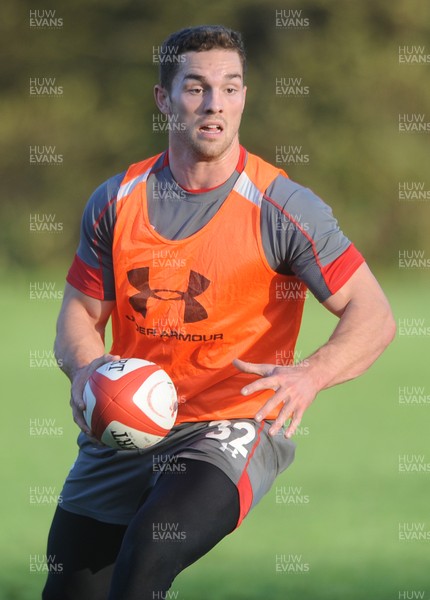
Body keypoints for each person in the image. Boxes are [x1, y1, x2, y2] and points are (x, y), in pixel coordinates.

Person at [42, 24, 395, 600]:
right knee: (70, 589)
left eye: (231, 88)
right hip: (128, 422)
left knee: (151, 549)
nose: (215, 105)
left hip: (231, 423)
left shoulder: (282, 206)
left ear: (245, 97)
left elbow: (374, 314)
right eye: (196, 87)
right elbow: (79, 317)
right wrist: (87, 374)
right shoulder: (114, 200)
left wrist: (311, 374)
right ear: (163, 99)